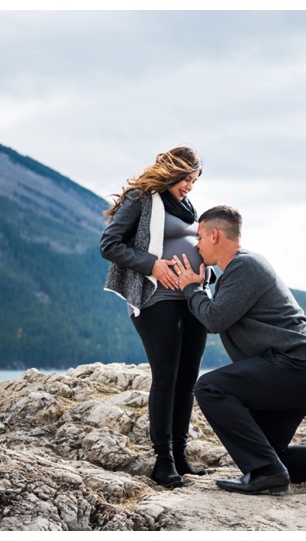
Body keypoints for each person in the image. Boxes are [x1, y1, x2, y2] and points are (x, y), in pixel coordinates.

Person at [172, 205, 306, 501]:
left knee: (208, 387)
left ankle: (265, 473)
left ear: (214, 235)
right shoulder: (237, 271)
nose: (196, 245)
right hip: (298, 374)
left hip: (293, 368)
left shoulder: (244, 266)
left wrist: (192, 289)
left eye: (199, 237)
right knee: (269, 456)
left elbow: (214, 319)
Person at [100, 146, 211, 489]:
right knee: (167, 377)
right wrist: (153, 265)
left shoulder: (187, 207)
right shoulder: (142, 198)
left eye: (194, 181)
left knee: (189, 378)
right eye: (187, 179)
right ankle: (163, 462)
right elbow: (109, 243)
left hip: (192, 297)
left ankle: (180, 456)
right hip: (156, 297)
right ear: (173, 172)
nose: (190, 186)